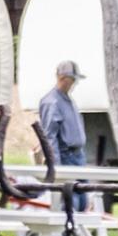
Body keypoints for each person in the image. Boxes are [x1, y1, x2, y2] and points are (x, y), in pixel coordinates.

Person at [38, 59, 89, 212]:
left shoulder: (67, 99)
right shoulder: (52, 102)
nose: (74, 83)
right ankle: (67, 234)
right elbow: (50, 137)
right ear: (62, 78)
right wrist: (56, 167)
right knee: (69, 202)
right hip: (67, 156)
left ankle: (77, 232)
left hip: (78, 156)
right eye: (72, 79)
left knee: (82, 200)